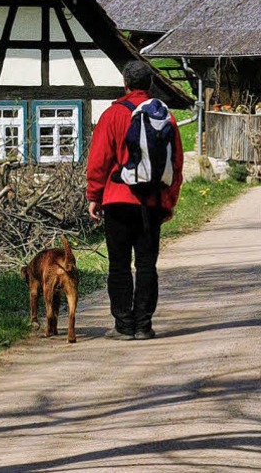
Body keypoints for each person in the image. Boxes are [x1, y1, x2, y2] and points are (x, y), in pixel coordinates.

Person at [86, 59, 184, 340]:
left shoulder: (113, 115)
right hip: (151, 202)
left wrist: (94, 195)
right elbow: (175, 164)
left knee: (118, 265)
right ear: (151, 84)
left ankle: (123, 326)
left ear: (125, 83)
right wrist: (169, 202)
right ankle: (143, 325)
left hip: (117, 200)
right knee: (146, 264)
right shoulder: (165, 117)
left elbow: (99, 162)